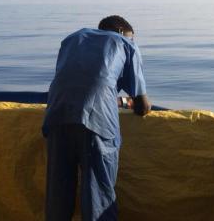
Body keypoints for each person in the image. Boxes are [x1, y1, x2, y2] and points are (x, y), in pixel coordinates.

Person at [42, 15, 151, 221]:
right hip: (97, 122)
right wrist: (125, 103)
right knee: (98, 197)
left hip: (56, 115)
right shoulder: (124, 43)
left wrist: (113, 100)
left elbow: (77, 84)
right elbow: (143, 106)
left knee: (58, 194)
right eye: (131, 38)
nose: (132, 42)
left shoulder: (72, 40)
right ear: (120, 32)